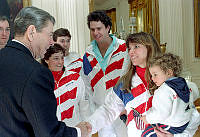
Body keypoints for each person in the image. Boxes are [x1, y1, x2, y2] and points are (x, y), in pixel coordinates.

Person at [81, 32, 200, 137]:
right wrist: (88, 125)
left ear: (150, 48)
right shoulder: (124, 83)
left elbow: (192, 115)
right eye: (129, 48)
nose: (131, 52)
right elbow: (107, 110)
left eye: (136, 47)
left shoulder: (171, 80)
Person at [0, 6, 90, 137]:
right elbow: (49, 133)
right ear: (31, 32)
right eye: (50, 35)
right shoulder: (36, 73)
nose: (52, 42)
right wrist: (79, 131)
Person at [81, 10, 129, 137]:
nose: (95, 33)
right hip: (101, 111)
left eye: (99, 28)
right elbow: (86, 86)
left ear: (108, 27)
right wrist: (92, 111)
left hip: (122, 110)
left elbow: (130, 78)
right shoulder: (87, 55)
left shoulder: (124, 48)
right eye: (92, 29)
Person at [140, 53, 196, 137]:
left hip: (172, 124)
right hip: (184, 122)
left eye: (155, 74)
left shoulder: (163, 91)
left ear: (169, 72)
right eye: (152, 75)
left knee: (146, 133)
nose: (152, 78)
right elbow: (194, 93)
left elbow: (161, 114)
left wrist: (147, 118)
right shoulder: (187, 84)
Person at [41, 43, 90, 127]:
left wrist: (87, 127)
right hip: (52, 130)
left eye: (62, 58)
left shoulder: (75, 78)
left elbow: (84, 105)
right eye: (56, 58)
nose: (60, 62)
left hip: (75, 129)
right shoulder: (41, 81)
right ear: (46, 59)